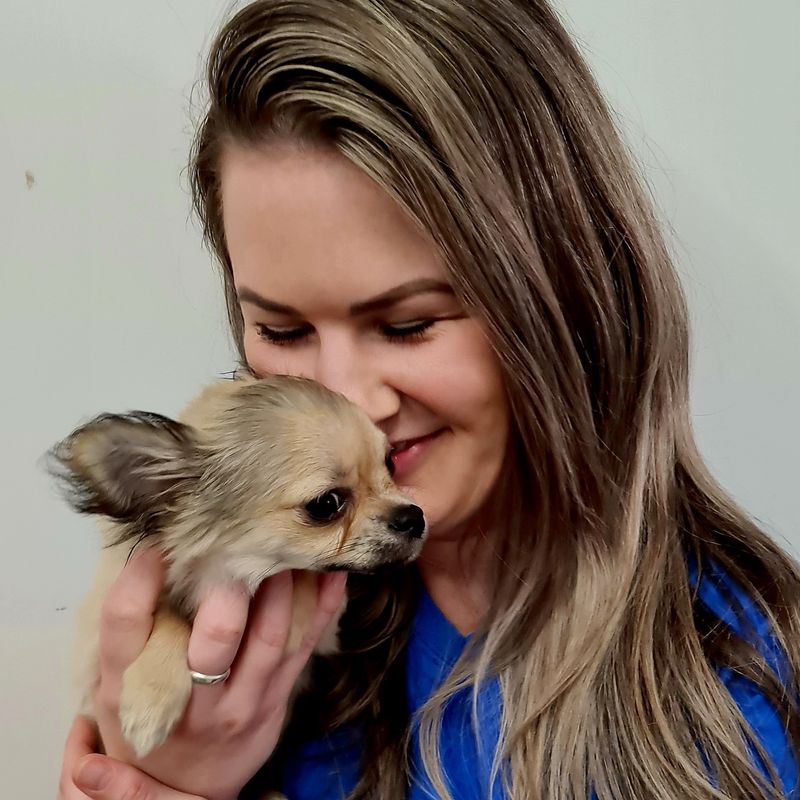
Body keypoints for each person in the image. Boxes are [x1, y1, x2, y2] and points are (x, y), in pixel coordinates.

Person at [58, 1, 800, 799]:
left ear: (565, 294)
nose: (342, 395)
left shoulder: (726, 674)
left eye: (407, 325)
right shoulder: (254, 575)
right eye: (281, 328)